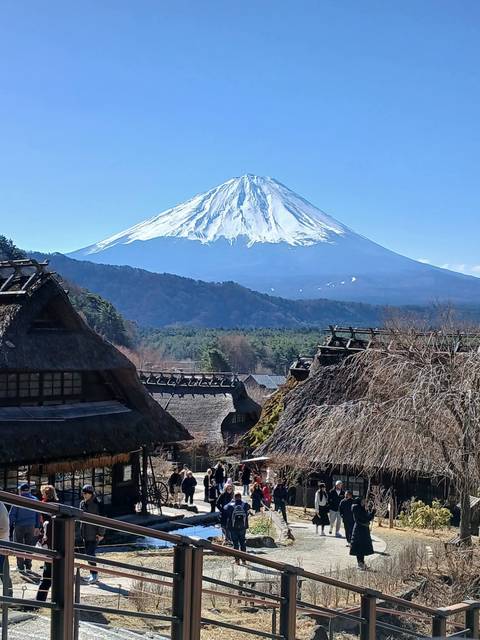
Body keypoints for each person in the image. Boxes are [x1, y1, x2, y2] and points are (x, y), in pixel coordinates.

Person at [9, 482, 41, 574]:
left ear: (20, 490)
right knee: (29, 546)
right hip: (31, 525)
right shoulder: (35, 499)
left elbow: (12, 515)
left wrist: (9, 526)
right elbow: (38, 514)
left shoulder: (18, 499)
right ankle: (28, 566)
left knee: (18, 546)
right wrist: (37, 527)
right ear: (29, 490)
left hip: (19, 525)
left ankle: (20, 567)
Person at [36, 485, 59, 602]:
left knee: (47, 576)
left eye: (42, 493)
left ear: (45, 494)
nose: (41, 495)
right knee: (57, 575)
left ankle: (40, 600)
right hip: (58, 543)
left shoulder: (44, 506)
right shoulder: (58, 505)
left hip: (49, 543)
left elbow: (45, 525)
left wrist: (41, 537)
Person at [79, 485, 105, 584]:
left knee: (90, 554)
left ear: (91, 493)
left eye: (86, 493)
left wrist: (101, 533)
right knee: (88, 554)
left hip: (95, 534)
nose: (84, 495)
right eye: (83, 493)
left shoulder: (98, 503)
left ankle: (94, 575)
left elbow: (102, 520)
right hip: (85, 533)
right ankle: (92, 574)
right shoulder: (82, 503)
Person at [350, 497, 375, 570]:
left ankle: (362, 562)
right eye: (363, 501)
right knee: (359, 547)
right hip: (359, 530)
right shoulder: (357, 509)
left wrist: (371, 512)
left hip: (363, 530)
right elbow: (365, 518)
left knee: (362, 547)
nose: (364, 502)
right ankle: (359, 563)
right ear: (359, 501)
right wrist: (372, 513)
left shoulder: (362, 508)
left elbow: (367, 517)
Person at [224, 491, 249, 562]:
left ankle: (237, 560)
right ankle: (244, 560)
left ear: (234, 498)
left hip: (233, 527)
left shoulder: (230, 506)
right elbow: (249, 508)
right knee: (242, 543)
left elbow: (224, 508)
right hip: (243, 527)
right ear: (241, 497)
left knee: (235, 543)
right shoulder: (245, 504)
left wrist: (231, 502)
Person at [0, 501, 12, 597]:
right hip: (3, 541)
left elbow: (3, 528)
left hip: (2, 543)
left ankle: (8, 596)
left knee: (2, 571)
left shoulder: (0, 507)